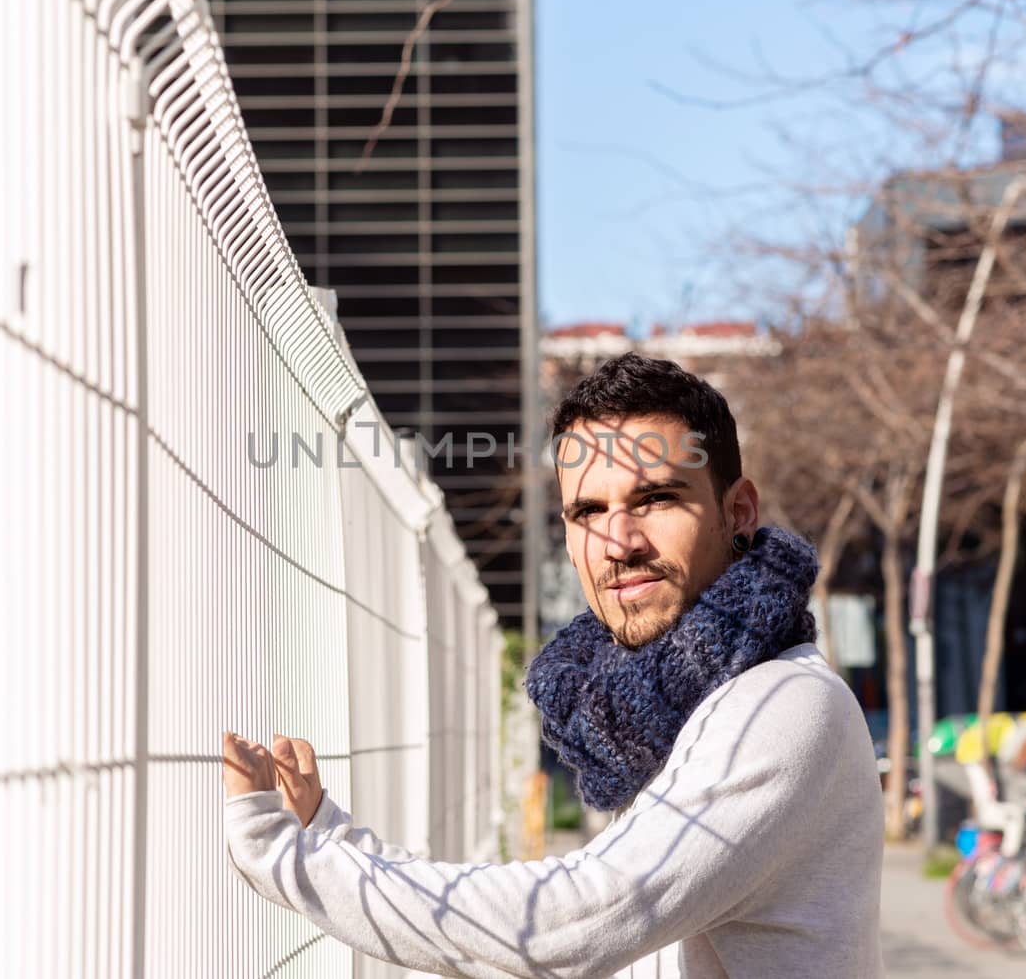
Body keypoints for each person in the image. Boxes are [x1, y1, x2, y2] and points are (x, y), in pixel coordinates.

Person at [222, 352, 885, 978]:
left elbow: (573, 922)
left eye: (655, 499)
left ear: (736, 511)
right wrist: (335, 842)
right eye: (589, 511)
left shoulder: (783, 704)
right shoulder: (663, 714)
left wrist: (289, 859)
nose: (619, 543)